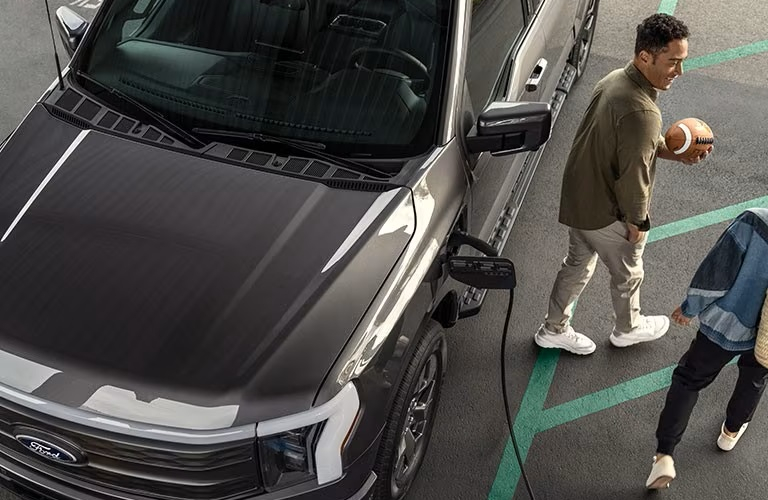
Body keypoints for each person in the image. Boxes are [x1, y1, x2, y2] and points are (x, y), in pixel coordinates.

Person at [534, 13, 712, 355]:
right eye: (673, 62)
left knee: (575, 265)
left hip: (578, 200)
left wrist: (674, 155)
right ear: (645, 56)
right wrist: (636, 221)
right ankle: (628, 328)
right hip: (606, 211)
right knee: (629, 273)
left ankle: (553, 328)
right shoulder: (643, 112)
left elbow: (631, 143)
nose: (679, 72)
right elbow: (635, 173)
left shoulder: (615, 80)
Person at [645, 207, 768, 489]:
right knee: (754, 378)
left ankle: (664, 455)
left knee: (689, 380)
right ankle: (731, 430)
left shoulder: (755, 221)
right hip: (766, 336)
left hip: (728, 323)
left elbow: (718, 271)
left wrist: (691, 307)